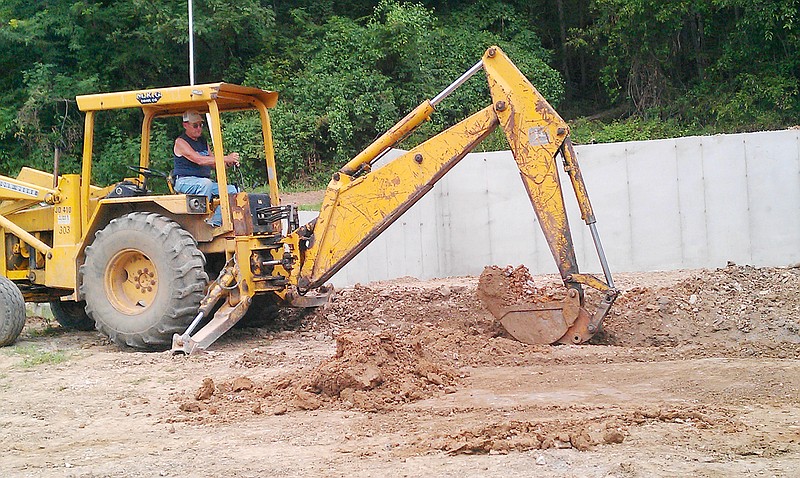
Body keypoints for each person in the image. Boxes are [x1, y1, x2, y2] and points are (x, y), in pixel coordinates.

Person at [173, 110, 240, 227]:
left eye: (201, 125)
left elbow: (214, 163)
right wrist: (226, 158)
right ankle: (199, 224)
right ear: (185, 125)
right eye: (195, 125)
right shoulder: (180, 142)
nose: (199, 128)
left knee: (233, 191)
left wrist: (229, 163)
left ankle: (215, 223)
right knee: (205, 184)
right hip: (185, 181)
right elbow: (200, 160)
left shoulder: (203, 142)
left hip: (204, 182)